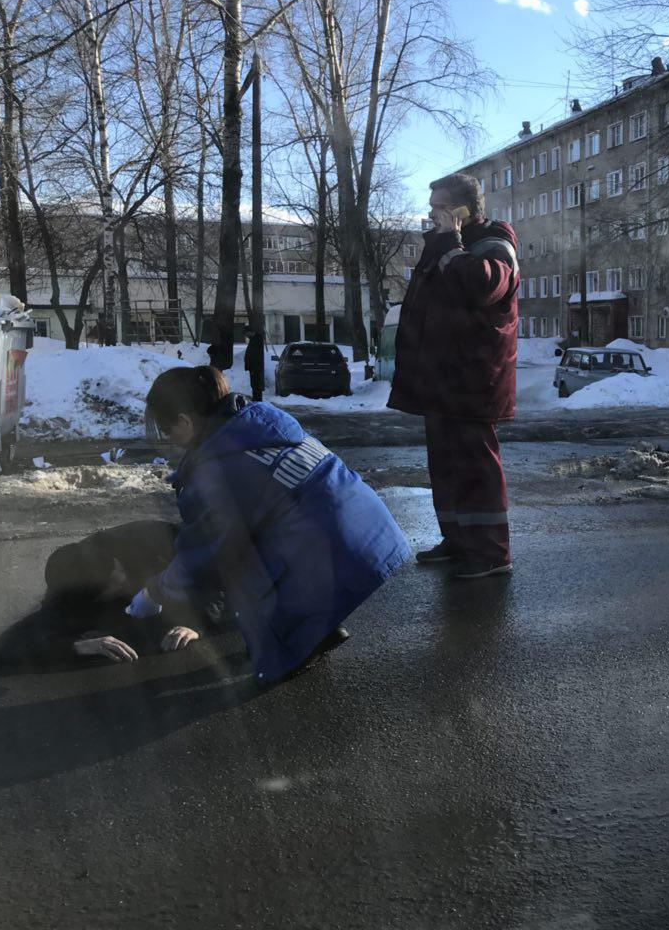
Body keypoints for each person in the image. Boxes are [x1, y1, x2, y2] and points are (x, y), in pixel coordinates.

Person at [141, 365, 412, 685]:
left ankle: (293, 646)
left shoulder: (215, 468)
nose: (171, 441)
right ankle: (317, 626)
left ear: (185, 421)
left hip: (338, 552)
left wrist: (155, 592)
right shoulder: (260, 418)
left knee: (236, 557)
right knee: (272, 528)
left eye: (167, 430)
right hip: (373, 532)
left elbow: (203, 550)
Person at [388, 173, 520, 580]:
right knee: (444, 466)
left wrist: (449, 242)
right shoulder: (445, 246)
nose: (430, 215)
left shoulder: (495, 243)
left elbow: (481, 287)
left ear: (461, 211)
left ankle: (491, 553)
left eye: (438, 207)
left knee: (475, 467)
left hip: (472, 379)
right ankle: (458, 541)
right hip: (442, 379)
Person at [0, 521, 223, 670]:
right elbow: (2, 648)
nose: (126, 582)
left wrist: (196, 622)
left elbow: (215, 575)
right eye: (116, 584)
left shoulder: (153, 544)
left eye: (120, 572)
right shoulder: (65, 596)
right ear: (95, 598)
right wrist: (78, 646)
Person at [244, 327, 266, 402]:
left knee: (256, 385)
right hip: (253, 367)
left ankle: (257, 400)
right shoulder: (254, 339)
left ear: (250, 332)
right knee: (254, 385)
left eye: (246, 334)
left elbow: (254, 355)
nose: (246, 336)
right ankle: (256, 399)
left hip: (255, 367)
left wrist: (252, 366)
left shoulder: (257, 339)